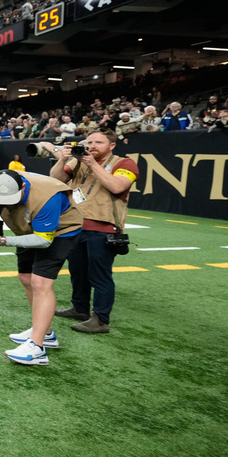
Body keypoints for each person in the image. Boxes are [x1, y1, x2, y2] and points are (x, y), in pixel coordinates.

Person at [0, 169, 83, 366]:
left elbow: (43, 241)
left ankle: (38, 347)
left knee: (40, 282)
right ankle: (45, 332)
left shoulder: (47, 197)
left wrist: (4, 240)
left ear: (23, 186)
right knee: (25, 277)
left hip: (59, 233)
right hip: (25, 227)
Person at [50, 130, 138, 334]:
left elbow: (117, 187)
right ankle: (80, 308)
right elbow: (55, 180)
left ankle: (100, 320)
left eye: (99, 142)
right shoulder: (78, 160)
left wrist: (92, 164)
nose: (92, 145)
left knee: (100, 275)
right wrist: (62, 159)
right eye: (89, 141)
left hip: (103, 227)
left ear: (112, 145)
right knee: (77, 272)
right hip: (75, 224)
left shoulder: (125, 164)